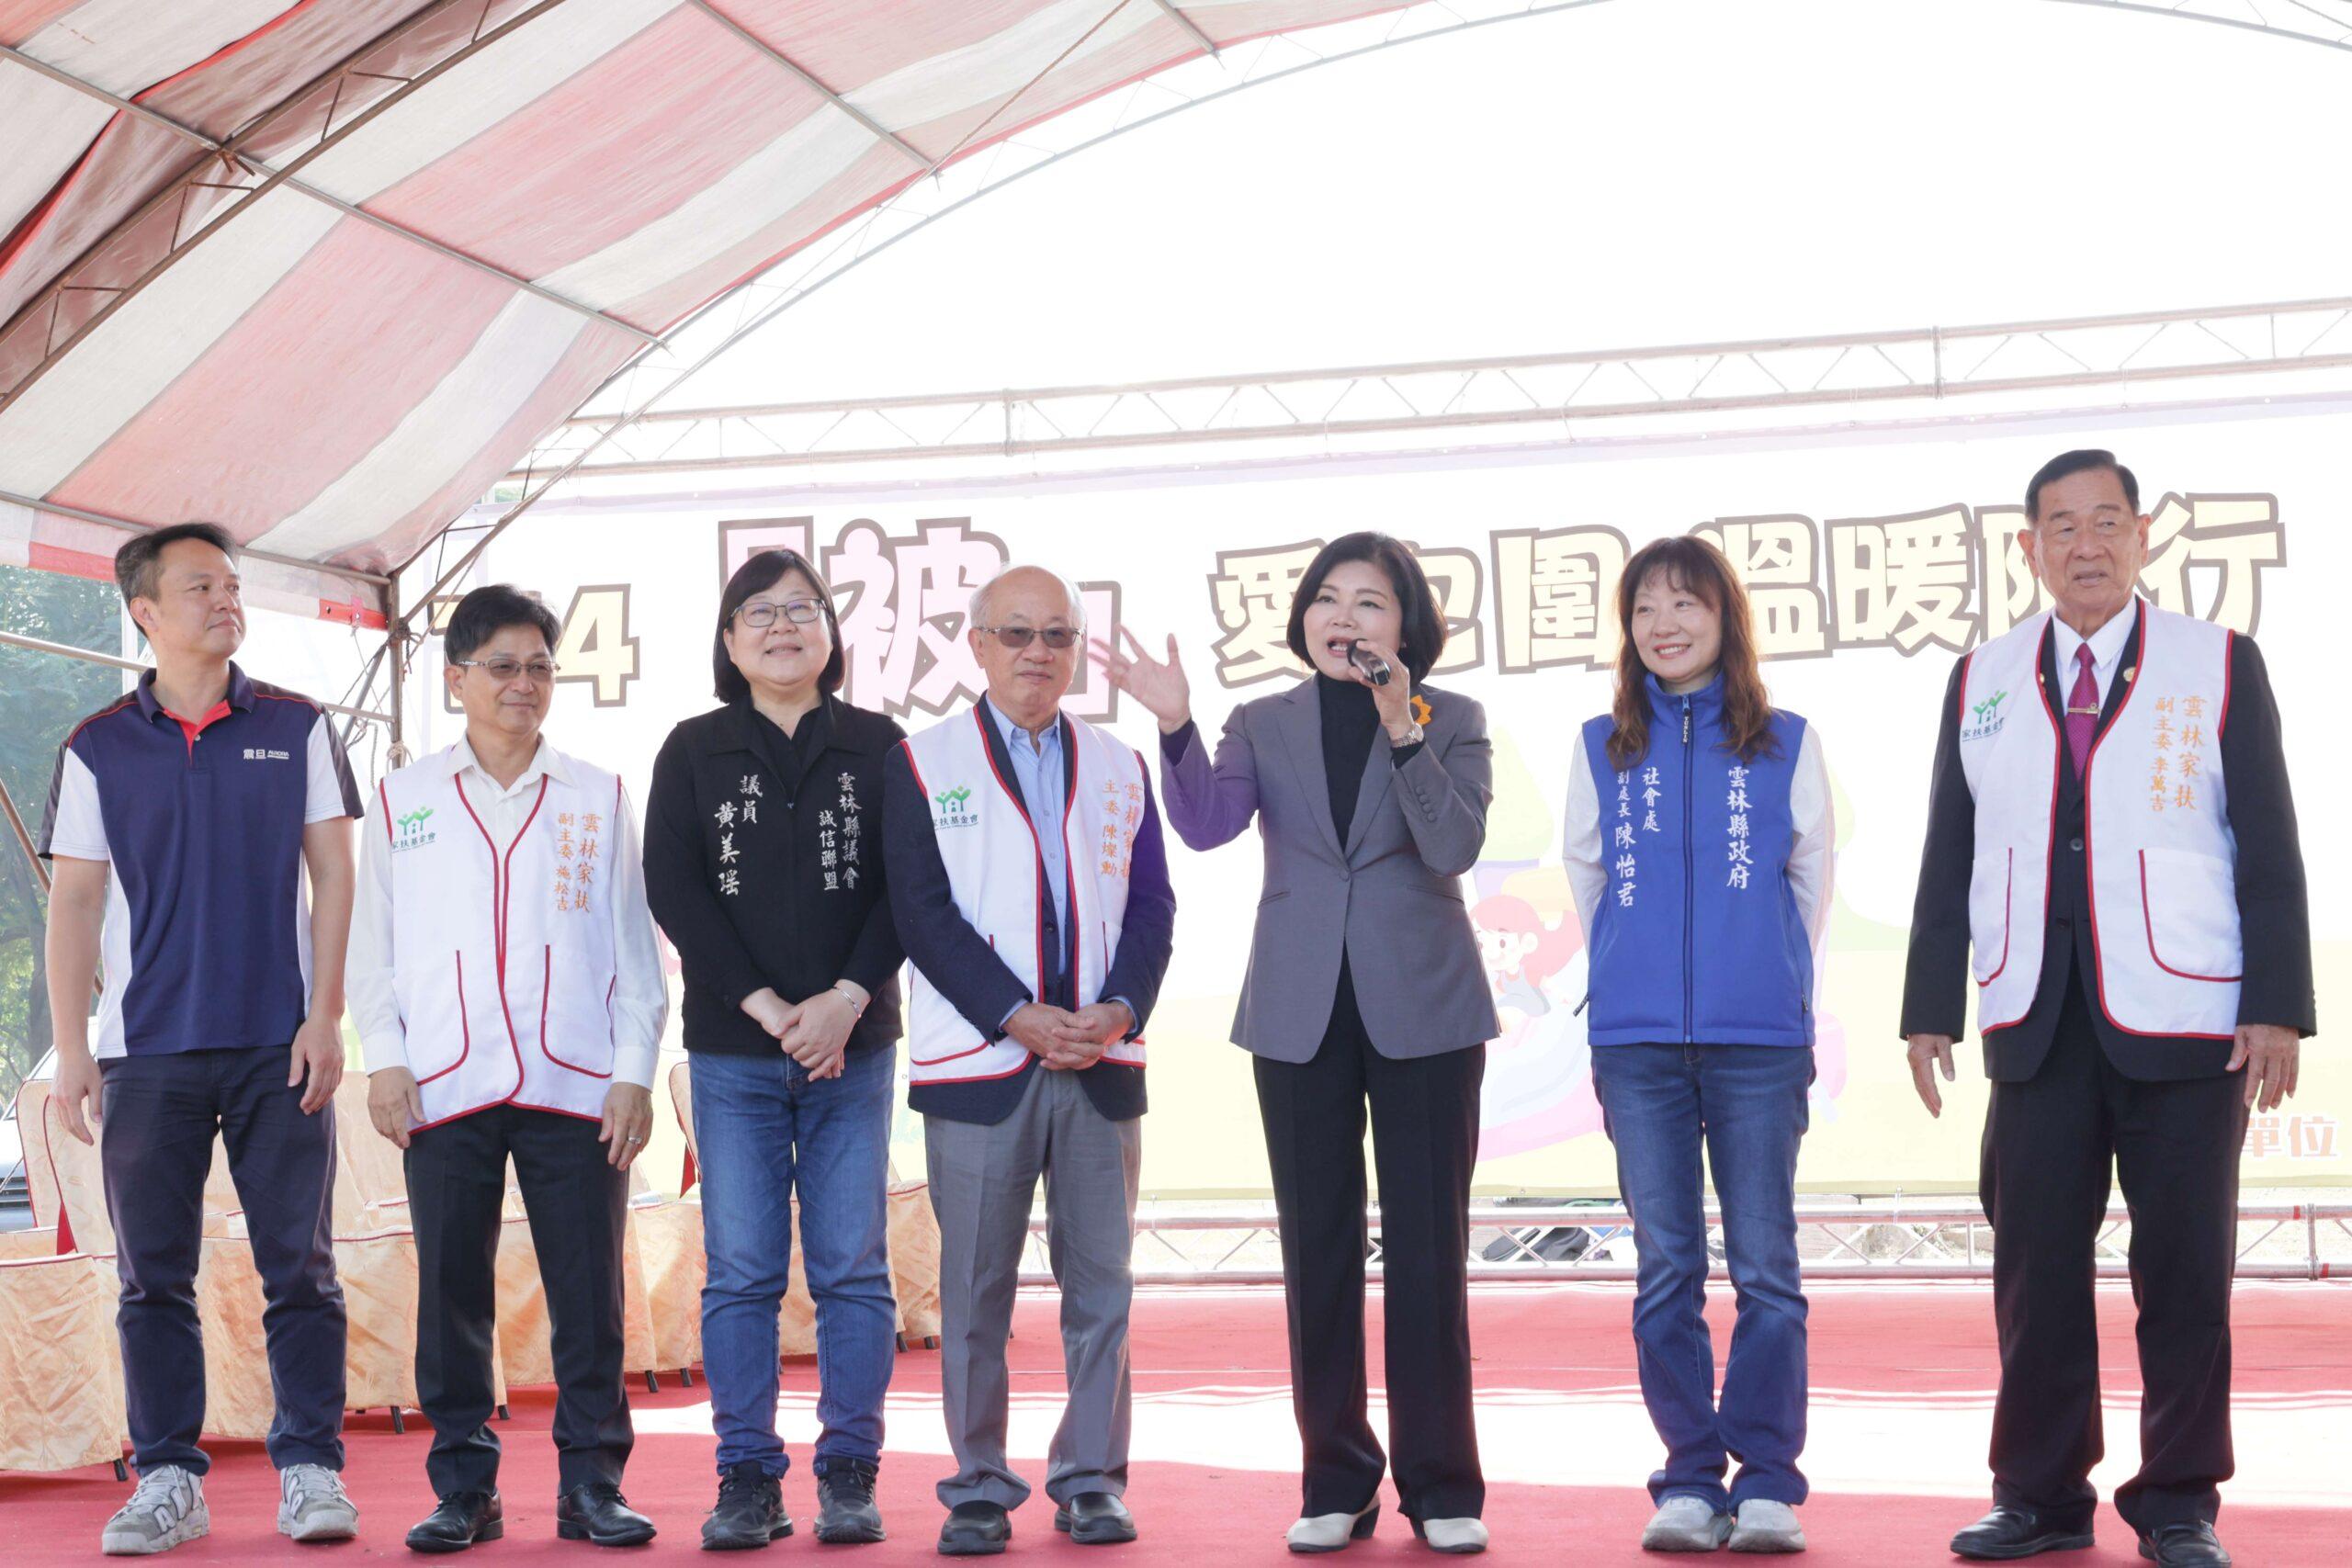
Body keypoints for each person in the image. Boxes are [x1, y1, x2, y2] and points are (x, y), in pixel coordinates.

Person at [1900, 450, 2312, 1568]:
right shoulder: (1981, 677)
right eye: (2060, 527)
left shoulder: (2216, 662)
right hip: (2035, 1016)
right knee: (2034, 1269)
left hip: (2184, 1015)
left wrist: (2276, 1005)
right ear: (2028, 547)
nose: (2084, 545)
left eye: (2105, 522)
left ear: (2141, 536)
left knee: (2184, 1273)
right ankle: (2038, 1495)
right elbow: (1950, 849)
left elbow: (2267, 841)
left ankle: (2178, 1501)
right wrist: (1929, 1005)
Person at [1095, 531, 1496, 1556]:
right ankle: (1337, 1478)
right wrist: (1175, 724)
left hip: (1426, 1008)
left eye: (1369, 602)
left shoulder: (1450, 718)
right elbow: (1206, 825)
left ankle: (1442, 1484)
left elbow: (1451, 844)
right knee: (1318, 1247)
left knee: (1428, 1250)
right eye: (1327, 599)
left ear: (1407, 626)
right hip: (1298, 1008)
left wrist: (1400, 726)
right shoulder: (1261, 722)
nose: (1343, 619)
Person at [40, 522, 363, 1554]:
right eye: (199, 587)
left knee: (300, 1270)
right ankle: (168, 1479)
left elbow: (335, 875)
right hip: (146, 1052)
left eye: (231, 585)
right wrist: (74, 1048)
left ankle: (310, 1468)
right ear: (143, 611)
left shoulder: (300, 726)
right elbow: (74, 904)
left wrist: (325, 1015)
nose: (226, 601)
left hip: (280, 1044)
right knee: (153, 1279)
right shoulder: (96, 746)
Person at [346, 584, 668, 1552]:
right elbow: (373, 947)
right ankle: (464, 1488)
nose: (522, 683)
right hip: (444, 1079)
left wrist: (634, 1070)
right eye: (501, 666)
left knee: (589, 1297)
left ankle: (593, 1484)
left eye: (538, 667)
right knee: (451, 1296)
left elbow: (635, 949)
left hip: (576, 1080)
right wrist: (385, 1060)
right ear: (457, 679)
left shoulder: (597, 794)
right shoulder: (404, 799)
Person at [881, 565, 1177, 1558]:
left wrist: (1118, 1008)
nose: (1036, 652)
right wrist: (1016, 1015)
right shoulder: (922, 762)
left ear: (1078, 651)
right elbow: (922, 914)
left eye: (1056, 634)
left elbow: (1152, 907)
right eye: (1015, 633)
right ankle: (976, 1485)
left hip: (1101, 1058)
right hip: (980, 1066)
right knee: (973, 1294)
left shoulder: (1121, 765)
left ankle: (1092, 1479)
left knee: (1102, 1289)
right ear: (977, 644)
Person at [1561, 536, 1831, 1555]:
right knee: (1665, 1269)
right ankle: (1686, 1478)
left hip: (1757, 1042)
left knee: (1766, 1269)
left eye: (1685, 604)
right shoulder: (1601, 744)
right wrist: (1630, 981)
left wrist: (1765, 982)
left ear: (1726, 618)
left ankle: (1765, 1482)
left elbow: (1808, 882)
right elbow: (1589, 880)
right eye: (1644, 609)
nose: (1663, 625)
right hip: (1636, 1048)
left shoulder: (1786, 740)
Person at [642, 549, 907, 1549]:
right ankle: (747, 1477)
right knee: (742, 1271)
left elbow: (909, 887)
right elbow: (675, 889)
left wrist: (843, 1001)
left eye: (803, 608)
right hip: (733, 1052)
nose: (783, 626)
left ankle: (850, 1471)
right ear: (728, 640)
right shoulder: (693, 750)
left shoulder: (880, 746)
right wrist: (769, 1009)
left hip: (855, 1049)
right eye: (759, 612)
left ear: (832, 633)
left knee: (852, 1269)